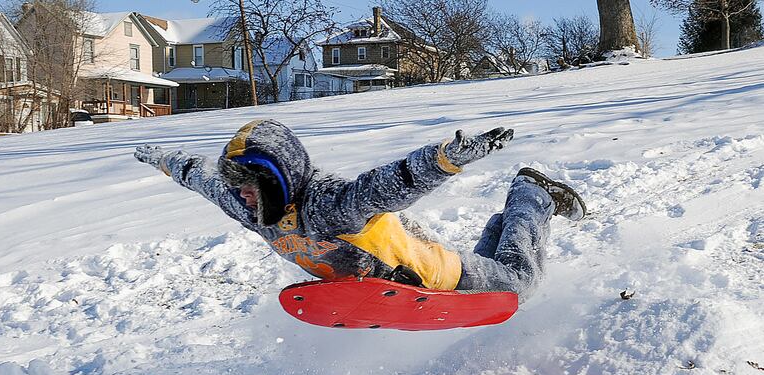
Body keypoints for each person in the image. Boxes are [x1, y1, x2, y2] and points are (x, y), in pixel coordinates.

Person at [135, 119, 585, 301]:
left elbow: (389, 185)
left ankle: (532, 194)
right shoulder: (249, 210)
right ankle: (506, 222)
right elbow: (199, 177)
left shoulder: (329, 203)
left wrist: (445, 158)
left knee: (519, 288)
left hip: (444, 276)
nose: (243, 197)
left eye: (250, 186)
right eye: (239, 189)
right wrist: (161, 159)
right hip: (405, 273)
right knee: (499, 263)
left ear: (278, 177)